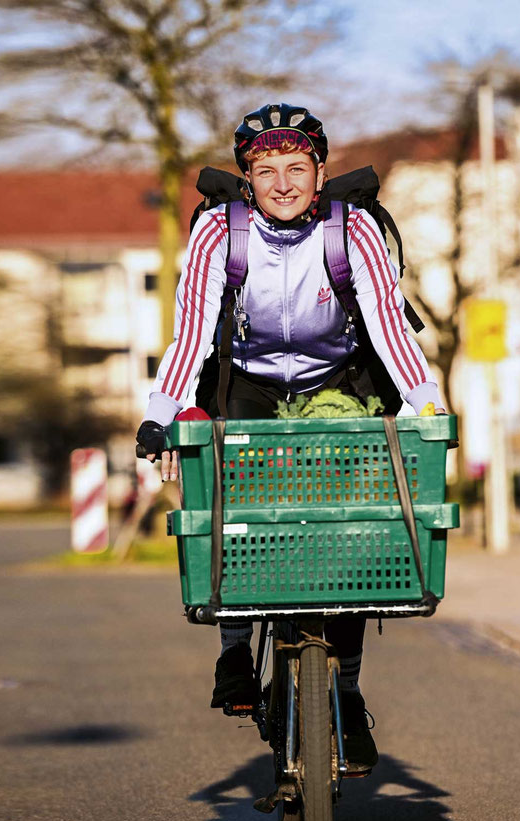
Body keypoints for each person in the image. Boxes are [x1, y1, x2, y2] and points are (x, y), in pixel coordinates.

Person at [137, 103, 445, 772]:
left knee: (354, 530)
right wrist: (161, 412)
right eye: (266, 170)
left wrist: (429, 407)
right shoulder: (219, 231)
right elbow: (191, 330)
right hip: (245, 379)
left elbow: (388, 327)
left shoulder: (352, 230)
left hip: (338, 379)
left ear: (319, 173)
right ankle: (232, 651)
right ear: (247, 179)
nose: (282, 183)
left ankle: (347, 691)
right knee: (230, 504)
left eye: (297, 168)